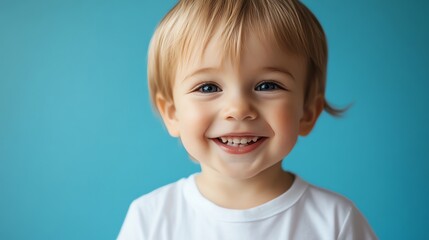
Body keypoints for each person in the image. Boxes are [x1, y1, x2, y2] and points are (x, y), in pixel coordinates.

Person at [118, 0, 377, 239]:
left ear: (308, 112)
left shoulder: (336, 221)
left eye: (267, 85)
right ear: (172, 113)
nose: (239, 109)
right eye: (208, 87)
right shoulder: (149, 219)